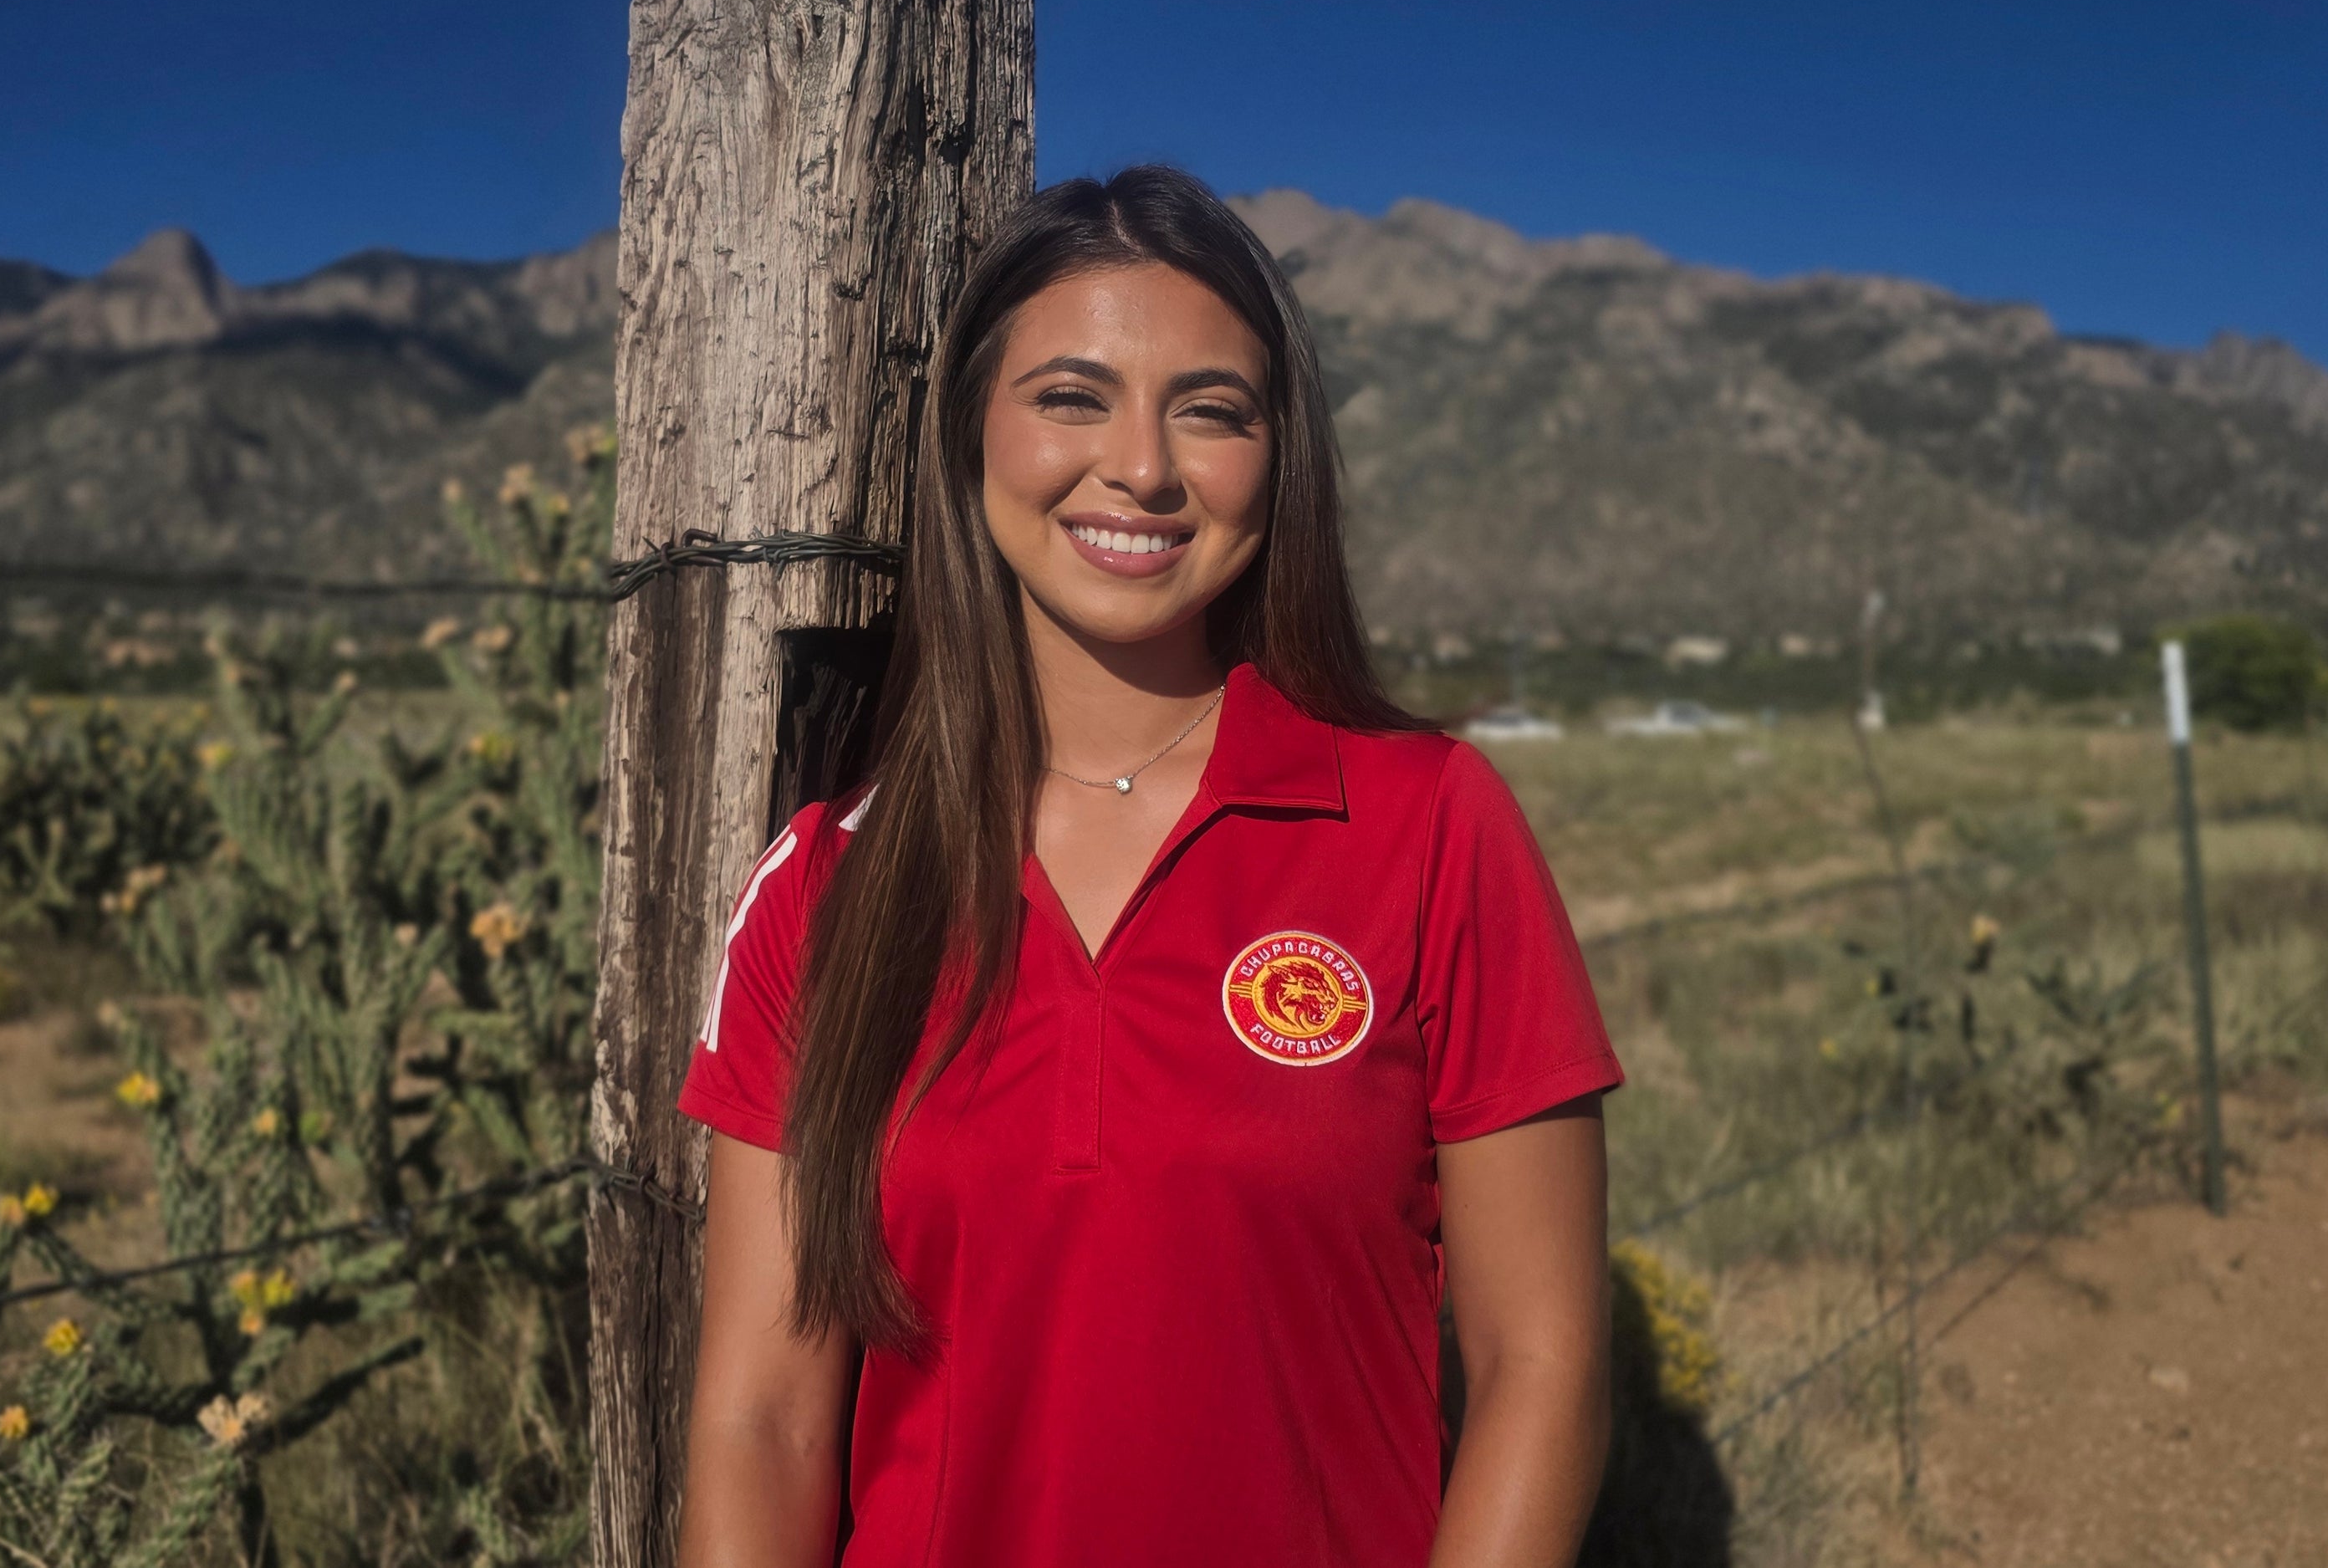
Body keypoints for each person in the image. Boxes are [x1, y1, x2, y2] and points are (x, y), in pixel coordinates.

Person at [676, 164, 1622, 1568]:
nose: (1143, 467)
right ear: (972, 432)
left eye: (1211, 410)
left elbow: (1542, 1364)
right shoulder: (825, 886)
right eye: (1072, 397)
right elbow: (763, 1424)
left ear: (1278, 458)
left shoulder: (1430, 826)